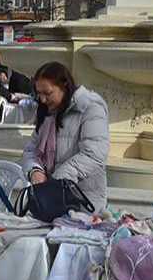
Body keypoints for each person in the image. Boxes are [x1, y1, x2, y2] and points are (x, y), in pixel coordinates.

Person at [21, 62, 110, 210]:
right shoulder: (47, 113)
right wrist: (35, 171)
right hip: (52, 200)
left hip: (85, 202)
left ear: (64, 86)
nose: (42, 99)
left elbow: (94, 154)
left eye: (47, 93)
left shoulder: (91, 108)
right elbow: (31, 150)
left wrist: (58, 180)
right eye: (39, 93)